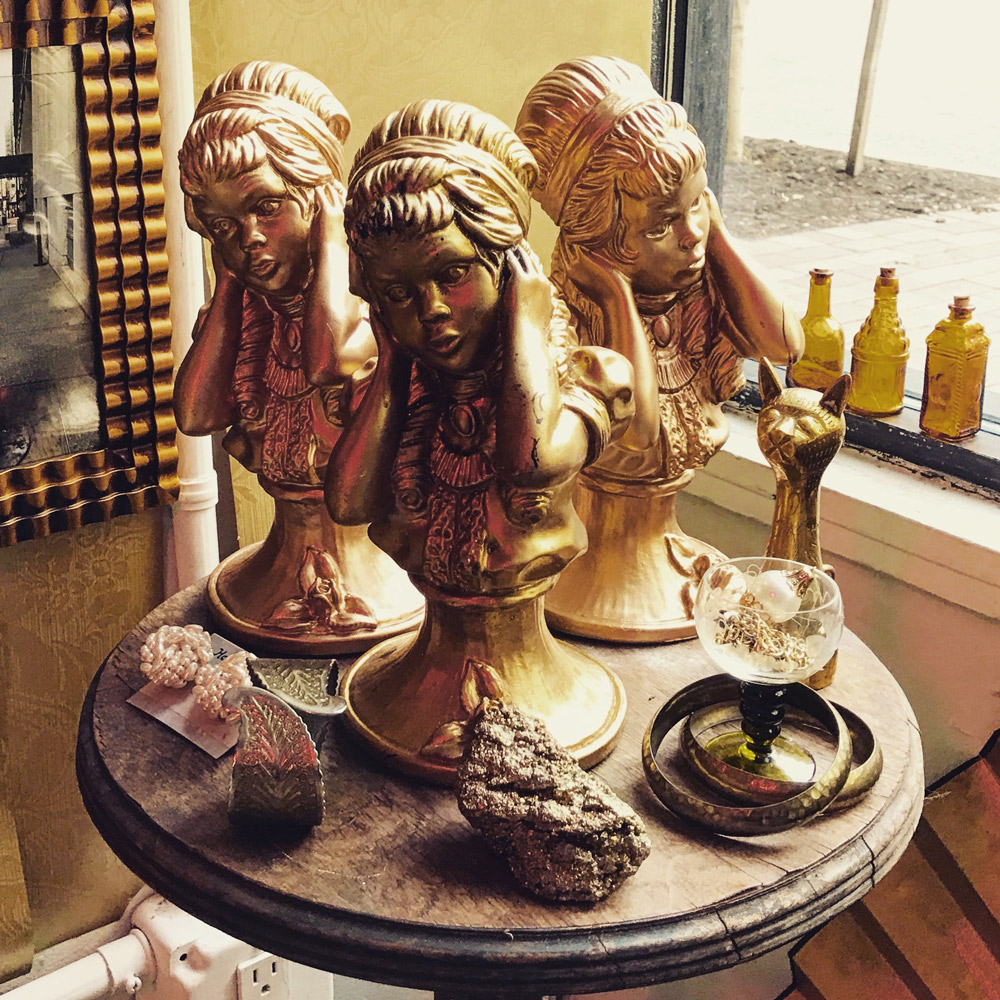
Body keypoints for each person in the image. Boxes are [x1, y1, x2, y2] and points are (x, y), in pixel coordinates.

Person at [325, 99, 633, 779]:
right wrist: (392, 359)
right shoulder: (402, 405)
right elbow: (347, 506)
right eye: (400, 294)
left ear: (509, 266)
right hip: (418, 666)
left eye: (453, 274)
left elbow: (532, 467)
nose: (430, 311)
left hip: (539, 674)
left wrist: (528, 326)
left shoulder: (588, 380)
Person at [516, 56, 804, 640]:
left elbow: (784, 343)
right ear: (600, 241)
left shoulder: (696, 285)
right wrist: (614, 291)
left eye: (697, 204)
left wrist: (712, 225)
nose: (689, 233)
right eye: (660, 225)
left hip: (671, 553)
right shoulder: (569, 323)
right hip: (592, 567)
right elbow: (638, 435)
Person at [174, 61, 420, 650]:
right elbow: (195, 415)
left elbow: (329, 363)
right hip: (276, 562)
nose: (249, 237)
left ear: (318, 198)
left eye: (266, 208)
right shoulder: (250, 315)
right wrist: (230, 279)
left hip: (376, 565)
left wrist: (333, 235)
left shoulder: (373, 307)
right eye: (222, 225)